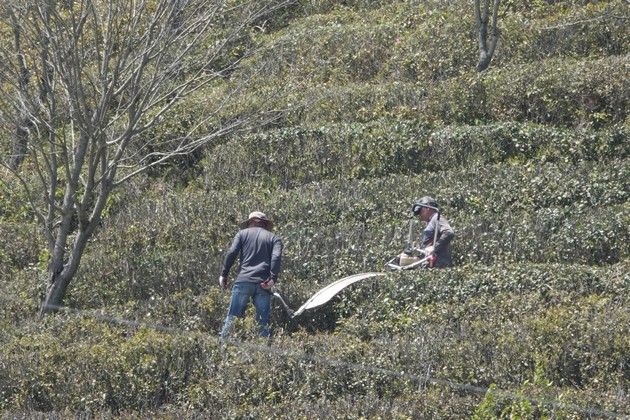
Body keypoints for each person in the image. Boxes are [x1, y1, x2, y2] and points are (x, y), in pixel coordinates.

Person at [219, 211, 283, 341]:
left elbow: (232, 252)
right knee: (263, 322)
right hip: (264, 284)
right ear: (265, 224)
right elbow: (276, 258)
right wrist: (272, 279)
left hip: (243, 281)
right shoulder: (274, 238)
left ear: (252, 222)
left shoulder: (242, 234)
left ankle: (223, 347)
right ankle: (264, 350)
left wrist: (224, 274)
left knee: (233, 318)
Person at [411, 196, 455, 268]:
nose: (420, 215)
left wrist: (434, 247)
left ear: (428, 208)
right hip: (429, 264)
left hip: (438, 264)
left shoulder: (437, 218)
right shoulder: (432, 220)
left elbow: (449, 233)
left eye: (421, 211)